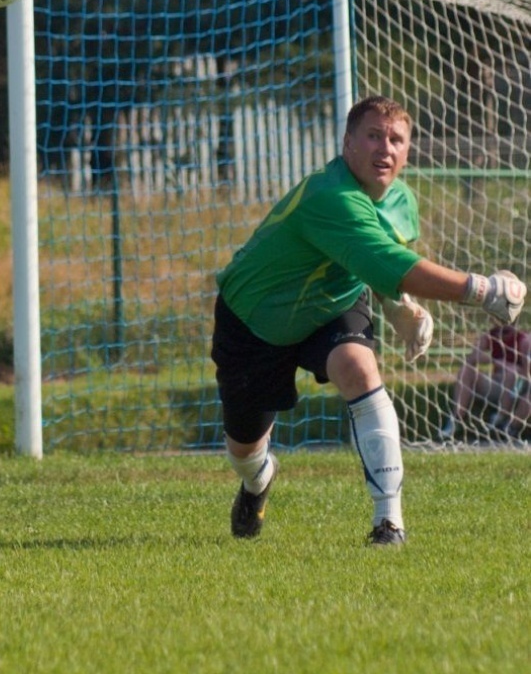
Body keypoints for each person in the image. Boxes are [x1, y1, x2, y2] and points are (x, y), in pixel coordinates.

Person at [211, 95, 526, 546]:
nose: (386, 148)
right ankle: (259, 481)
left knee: (359, 368)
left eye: (396, 139)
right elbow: (388, 260)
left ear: (408, 150)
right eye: (374, 136)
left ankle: (389, 523)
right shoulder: (331, 195)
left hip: (333, 303)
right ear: (347, 144)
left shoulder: (401, 201)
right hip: (255, 322)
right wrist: (483, 290)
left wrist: (398, 308)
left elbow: (382, 264)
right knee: (245, 451)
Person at [441, 325, 531, 440]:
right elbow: (471, 358)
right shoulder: (489, 337)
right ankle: (456, 420)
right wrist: (497, 362)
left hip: (518, 388)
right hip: (497, 383)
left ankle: (507, 424)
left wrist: (513, 369)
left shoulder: (523, 340)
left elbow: (526, 373)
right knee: (466, 370)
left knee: (511, 373)